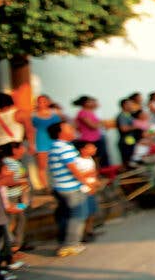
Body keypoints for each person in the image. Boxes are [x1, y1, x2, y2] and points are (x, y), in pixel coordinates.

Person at [46, 120, 91, 257]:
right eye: (68, 128)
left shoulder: (55, 146)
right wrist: (85, 182)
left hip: (60, 186)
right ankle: (71, 245)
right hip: (70, 187)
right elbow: (72, 167)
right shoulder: (64, 147)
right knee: (78, 215)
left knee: (66, 216)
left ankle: (64, 243)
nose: (72, 130)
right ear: (60, 133)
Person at [0, 140, 31, 252]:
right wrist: (22, 182)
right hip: (11, 197)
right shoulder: (8, 163)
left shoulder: (15, 162)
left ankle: (17, 244)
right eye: (21, 148)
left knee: (20, 219)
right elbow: (7, 181)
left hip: (18, 196)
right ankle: (10, 247)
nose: (24, 150)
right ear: (14, 150)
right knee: (12, 222)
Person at [30, 94, 62, 190]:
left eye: (44, 101)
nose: (42, 104)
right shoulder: (33, 115)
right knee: (42, 165)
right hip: (40, 140)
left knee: (56, 162)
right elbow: (30, 131)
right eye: (39, 101)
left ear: (49, 102)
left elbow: (61, 127)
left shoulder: (55, 113)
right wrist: (32, 144)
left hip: (53, 140)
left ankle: (57, 184)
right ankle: (45, 186)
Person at [72, 95, 109, 168]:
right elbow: (93, 126)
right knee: (91, 160)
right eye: (90, 102)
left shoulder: (91, 112)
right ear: (85, 103)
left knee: (97, 159)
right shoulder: (82, 112)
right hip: (88, 140)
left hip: (95, 138)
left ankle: (96, 175)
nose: (92, 103)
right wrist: (102, 123)